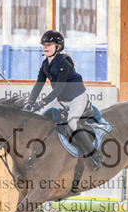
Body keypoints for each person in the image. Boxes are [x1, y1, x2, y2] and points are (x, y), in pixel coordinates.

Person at [25, 30, 102, 170]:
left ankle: (94, 154)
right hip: (62, 100)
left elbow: (59, 87)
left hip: (77, 98)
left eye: (49, 45)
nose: (45, 47)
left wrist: (41, 102)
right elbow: (39, 84)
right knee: (43, 118)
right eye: (44, 45)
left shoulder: (64, 62)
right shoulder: (45, 64)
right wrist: (30, 103)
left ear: (58, 47)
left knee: (72, 122)